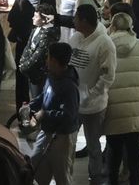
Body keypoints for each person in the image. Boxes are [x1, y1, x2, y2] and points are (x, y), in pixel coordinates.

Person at [103, 11, 139, 185]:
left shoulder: (106, 45)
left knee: (114, 146)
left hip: (114, 103)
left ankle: (112, 180)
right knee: (135, 145)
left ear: (113, 26)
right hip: (138, 104)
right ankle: (134, 180)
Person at [66, 5, 116, 185]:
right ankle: (65, 176)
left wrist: (91, 95)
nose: (73, 21)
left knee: (94, 146)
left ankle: (94, 179)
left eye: (76, 18)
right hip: (73, 103)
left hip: (94, 106)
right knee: (67, 143)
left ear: (85, 21)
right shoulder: (75, 38)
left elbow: (108, 76)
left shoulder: (105, 44)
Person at [28, 42, 82, 185]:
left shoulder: (70, 86)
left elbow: (69, 116)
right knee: (37, 168)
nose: (46, 60)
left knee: (62, 175)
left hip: (62, 137)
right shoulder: (52, 76)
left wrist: (44, 114)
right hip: (46, 132)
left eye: (48, 57)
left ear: (54, 61)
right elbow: (45, 95)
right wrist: (31, 105)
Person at [8, 0, 48, 108]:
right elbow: (11, 18)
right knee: (21, 79)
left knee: (39, 80)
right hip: (23, 42)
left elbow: (53, 20)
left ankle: (38, 112)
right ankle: (22, 113)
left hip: (40, 44)